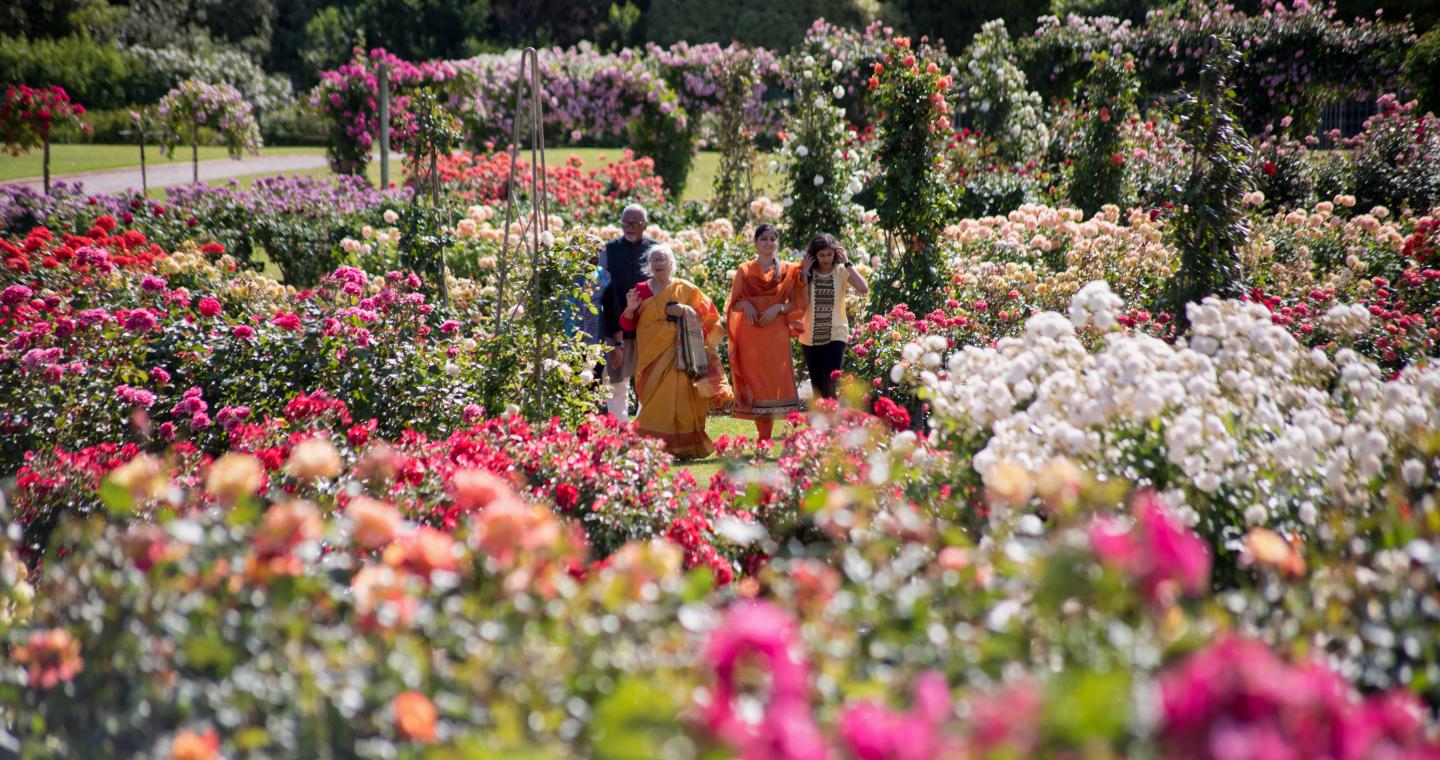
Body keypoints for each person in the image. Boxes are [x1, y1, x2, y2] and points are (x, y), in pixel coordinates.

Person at [620, 245, 731, 459]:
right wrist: (630, 309)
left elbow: (709, 316)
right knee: (654, 404)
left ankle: (682, 449)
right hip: (651, 358)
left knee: (680, 400)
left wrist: (685, 311)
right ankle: (649, 448)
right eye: (654, 259)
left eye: (662, 259)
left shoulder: (685, 289)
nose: (658, 263)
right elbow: (627, 325)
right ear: (649, 266)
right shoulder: (640, 290)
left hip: (680, 356)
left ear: (671, 263)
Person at [725, 223, 807, 443]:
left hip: (776, 333)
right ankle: (764, 437)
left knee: (777, 379)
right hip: (750, 334)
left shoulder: (789, 270)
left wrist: (778, 308)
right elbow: (733, 304)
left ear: (777, 242)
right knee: (757, 382)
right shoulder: (744, 269)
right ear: (755, 242)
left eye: (772, 238)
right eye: (763, 239)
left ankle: (794, 436)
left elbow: (799, 301)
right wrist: (746, 305)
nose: (768, 243)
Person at [600, 204, 657, 420]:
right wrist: (616, 341)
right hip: (616, 328)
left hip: (647, 328)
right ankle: (620, 434)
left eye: (635, 223)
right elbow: (604, 292)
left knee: (650, 384)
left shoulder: (655, 250)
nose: (629, 227)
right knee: (616, 384)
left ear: (645, 225)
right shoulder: (609, 250)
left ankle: (644, 430)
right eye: (625, 222)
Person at [799, 233, 868, 401]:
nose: (826, 258)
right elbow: (800, 302)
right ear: (814, 255)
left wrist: (848, 262)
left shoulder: (841, 271)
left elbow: (863, 288)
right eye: (821, 255)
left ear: (835, 253)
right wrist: (804, 272)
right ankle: (819, 426)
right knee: (817, 389)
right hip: (810, 336)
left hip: (836, 335)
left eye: (829, 254)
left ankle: (834, 425)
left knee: (829, 383)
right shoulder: (807, 273)